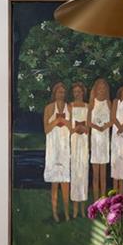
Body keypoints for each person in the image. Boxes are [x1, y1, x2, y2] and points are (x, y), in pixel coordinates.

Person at [43, 82, 71, 222]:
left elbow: (72, 128)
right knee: (54, 182)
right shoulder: (49, 108)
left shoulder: (69, 107)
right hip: (53, 148)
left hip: (65, 147)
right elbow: (46, 129)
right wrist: (57, 120)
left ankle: (66, 212)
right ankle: (54, 212)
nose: (61, 94)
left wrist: (64, 121)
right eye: (59, 92)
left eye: (63, 92)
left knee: (65, 181)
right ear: (54, 93)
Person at [89, 78, 111, 202]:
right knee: (95, 174)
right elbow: (88, 122)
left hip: (104, 139)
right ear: (96, 89)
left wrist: (106, 126)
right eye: (99, 88)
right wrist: (98, 127)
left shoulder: (108, 102)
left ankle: (103, 201)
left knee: (103, 174)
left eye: (104, 88)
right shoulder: (93, 102)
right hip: (95, 139)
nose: (101, 90)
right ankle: (96, 201)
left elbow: (112, 119)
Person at [69, 82, 89, 218]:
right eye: (75, 91)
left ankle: (83, 208)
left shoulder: (87, 106)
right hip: (74, 139)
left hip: (84, 140)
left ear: (83, 92)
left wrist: (85, 129)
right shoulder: (70, 106)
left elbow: (89, 126)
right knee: (75, 171)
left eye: (79, 91)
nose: (77, 94)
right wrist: (76, 129)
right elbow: (68, 126)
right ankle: (75, 209)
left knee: (84, 171)